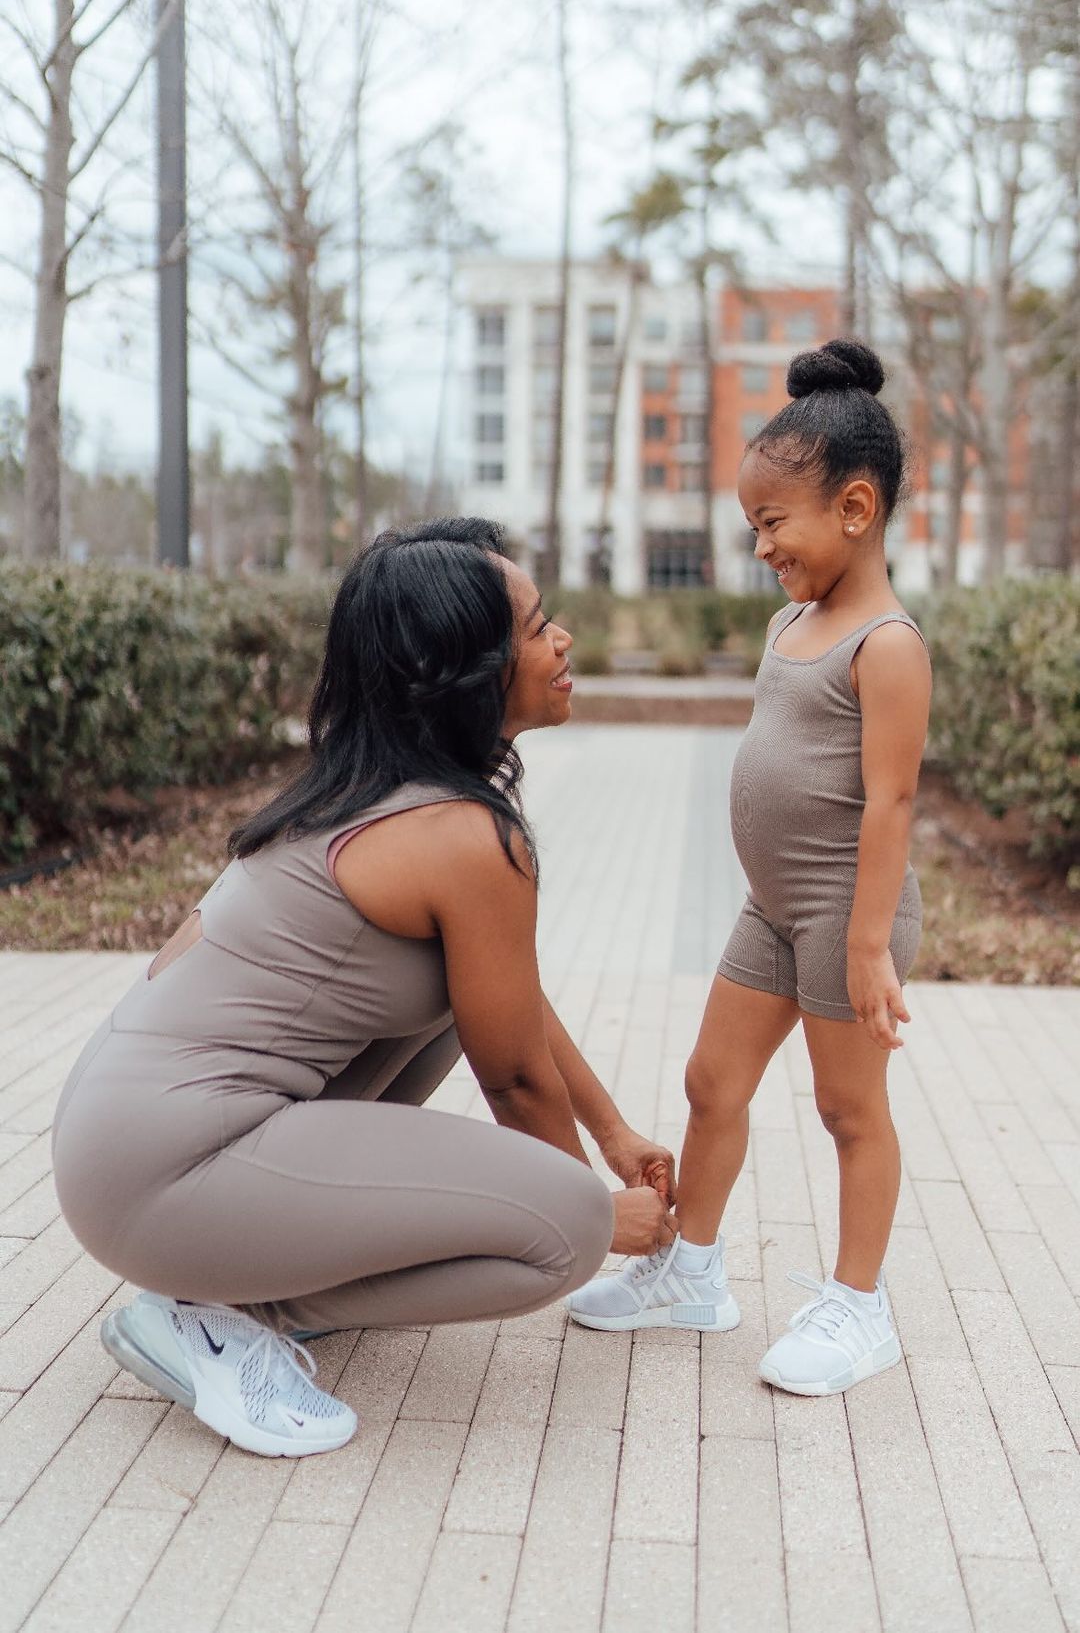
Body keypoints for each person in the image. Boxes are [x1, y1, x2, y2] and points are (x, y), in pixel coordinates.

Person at [52, 519, 676, 1457]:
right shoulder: (464, 837)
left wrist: (613, 1132)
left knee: (457, 1010)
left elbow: (507, 1001)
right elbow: (515, 1080)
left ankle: (229, 1276)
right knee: (561, 1236)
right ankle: (222, 1314)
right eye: (537, 626)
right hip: (167, 1165)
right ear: (463, 669)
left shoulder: (375, 791)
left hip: (124, 1139)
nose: (563, 640)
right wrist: (588, 1211)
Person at [567, 340, 932, 1397]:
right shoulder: (792, 621)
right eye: (753, 527)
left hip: (846, 918)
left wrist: (869, 943)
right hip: (771, 908)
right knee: (710, 1082)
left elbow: (892, 803)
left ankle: (860, 1306)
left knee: (848, 1110)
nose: (761, 546)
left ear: (855, 509)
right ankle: (692, 1272)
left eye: (774, 523)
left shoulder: (888, 644)